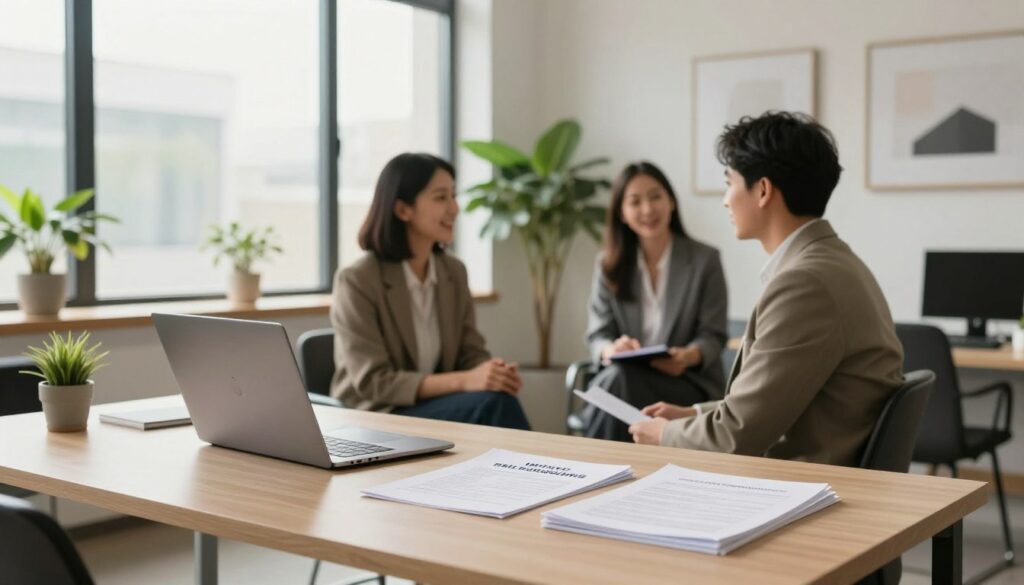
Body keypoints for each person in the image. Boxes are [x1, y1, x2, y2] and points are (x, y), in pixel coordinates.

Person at [628, 112, 903, 467]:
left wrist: (664, 435)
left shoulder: (804, 285)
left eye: (730, 183)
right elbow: (768, 402)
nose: (726, 200)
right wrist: (692, 414)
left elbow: (736, 436)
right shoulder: (834, 261)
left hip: (804, 488)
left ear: (762, 190)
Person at [329, 152, 530, 430]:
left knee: (496, 395)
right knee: (494, 405)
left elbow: (470, 353)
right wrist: (465, 380)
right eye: (440, 197)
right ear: (403, 210)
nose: (455, 208)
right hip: (379, 415)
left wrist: (491, 373)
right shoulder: (358, 280)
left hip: (436, 407)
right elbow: (374, 382)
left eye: (453, 195)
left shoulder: (453, 272)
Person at [584, 161, 728, 441]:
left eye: (655, 197)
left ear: (671, 202)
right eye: (635, 202)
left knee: (614, 385)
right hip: (625, 377)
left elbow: (714, 335)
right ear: (622, 213)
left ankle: (596, 466)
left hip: (685, 383)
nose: (647, 209)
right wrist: (611, 348)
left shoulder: (704, 260)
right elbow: (597, 335)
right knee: (619, 378)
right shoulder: (608, 265)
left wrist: (688, 356)